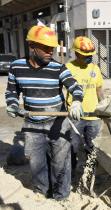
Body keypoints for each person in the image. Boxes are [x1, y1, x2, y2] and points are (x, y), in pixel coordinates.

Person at [5, 25, 83, 200]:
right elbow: (11, 91)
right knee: (36, 162)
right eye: (46, 48)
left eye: (52, 48)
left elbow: (74, 86)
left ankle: (61, 196)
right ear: (32, 46)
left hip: (58, 121)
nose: (51, 52)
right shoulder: (16, 67)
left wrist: (77, 100)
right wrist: (11, 104)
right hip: (32, 122)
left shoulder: (58, 68)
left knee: (61, 162)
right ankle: (42, 192)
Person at [66, 36, 104, 172]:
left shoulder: (95, 68)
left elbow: (99, 89)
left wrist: (104, 107)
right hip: (75, 117)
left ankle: (91, 173)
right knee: (72, 147)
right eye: (85, 55)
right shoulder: (68, 68)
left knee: (92, 147)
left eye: (90, 55)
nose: (89, 58)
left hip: (94, 116)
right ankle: (70, 174)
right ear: (76, 53)